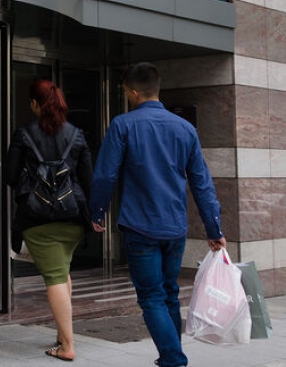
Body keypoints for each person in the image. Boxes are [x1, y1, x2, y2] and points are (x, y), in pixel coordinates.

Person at [88, 62, 226, 367]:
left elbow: (105, 176)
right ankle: (171, 357)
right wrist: (214, 229)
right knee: (169, 294)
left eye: (125, 91)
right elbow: (202, 184)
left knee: (151, 297)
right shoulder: (185, 129)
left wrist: (97, 212)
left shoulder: (123, 125)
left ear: (133, 92)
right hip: (175, 228)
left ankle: (174, 360)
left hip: (140, 227)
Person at [4, 79, 93, 362]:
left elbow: (9, 176)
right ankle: (61, 336)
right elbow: (89, 180)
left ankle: (66, 345)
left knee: (54, 277)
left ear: (34, 104)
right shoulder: (77, 135)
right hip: (74, 217)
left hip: (38, 220)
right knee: (62, 272)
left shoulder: (23, 134)